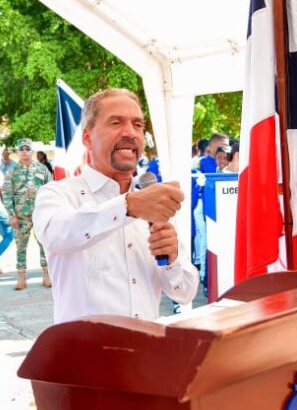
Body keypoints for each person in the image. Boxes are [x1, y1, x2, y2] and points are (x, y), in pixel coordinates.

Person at [33, 86, 199, 335]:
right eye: (116, 122)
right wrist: (128, 206)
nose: (130, 133)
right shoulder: (58, 194)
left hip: (146, 358)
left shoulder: (152, 200)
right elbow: (57, 233)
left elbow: (184, 292)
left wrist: (172, 258)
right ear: (87, 138)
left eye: (138, 125)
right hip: (87, 364)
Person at [2, 138, 53, 290]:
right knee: (21, 247)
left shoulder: (42, 169)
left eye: (27, 149)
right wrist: (11, 215)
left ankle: (47, 275)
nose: (25, 151)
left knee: (44, 244)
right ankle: (21, 278)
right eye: (22, 149)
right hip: (20, 217)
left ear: (32, 151)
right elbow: (7, 194)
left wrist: (49, 211)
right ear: (18, 152)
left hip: (39, 215)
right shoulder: (12, 172)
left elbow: (50, 191)